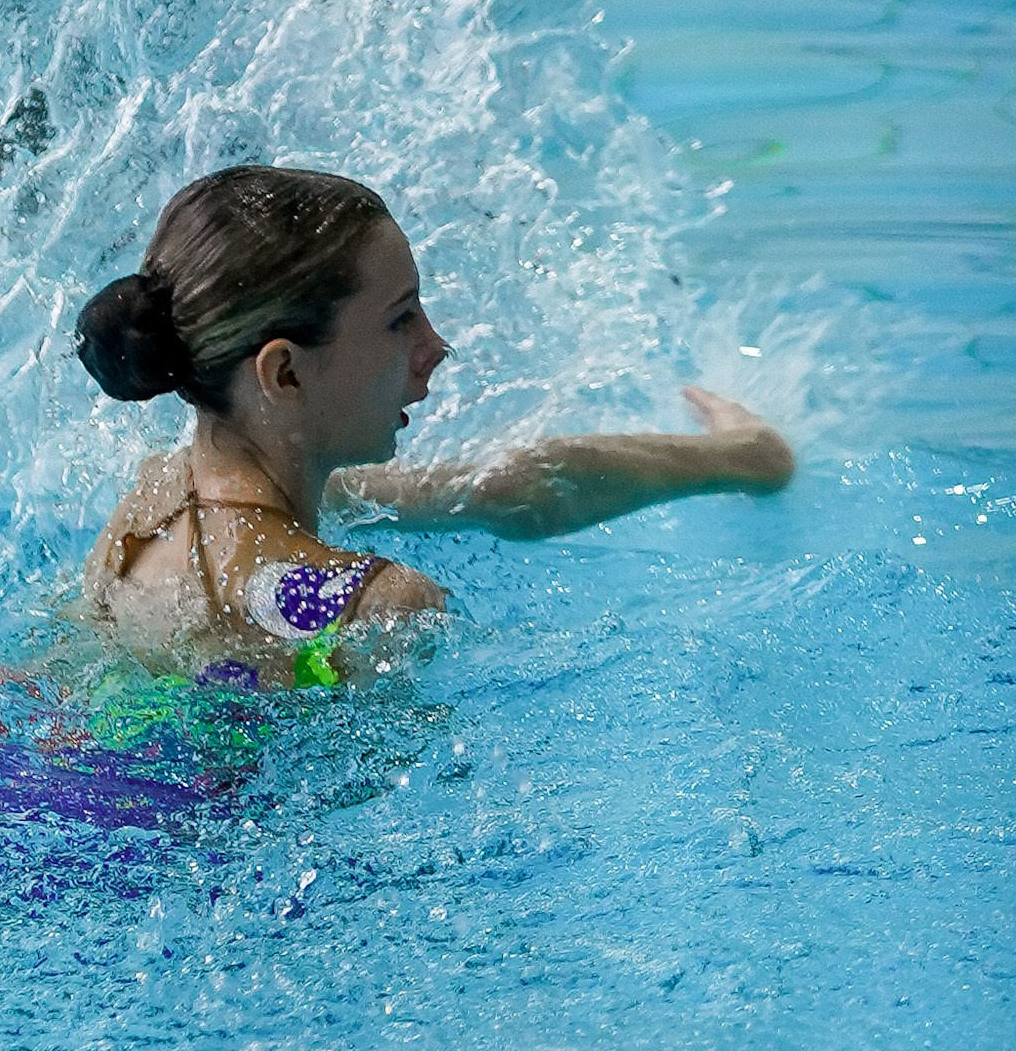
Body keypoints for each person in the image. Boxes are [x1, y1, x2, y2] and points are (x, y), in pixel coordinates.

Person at [74, 165, 794, 690]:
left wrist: (737, 456)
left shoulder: (149, 509)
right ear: (285, 374)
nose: (436, 345)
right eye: (401, 319)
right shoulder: (377, 606)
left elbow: (486, 488)